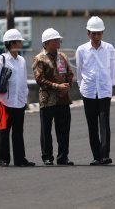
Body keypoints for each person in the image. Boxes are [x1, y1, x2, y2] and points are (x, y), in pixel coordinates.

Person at [76, 16, 115, 165]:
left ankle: (105, 155)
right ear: (88, 34)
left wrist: (110, 85)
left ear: (103, 33)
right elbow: (79, 71)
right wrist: (82, 88)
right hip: (88, 91)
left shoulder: (109, 48)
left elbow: (113, 69)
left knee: (104, 123)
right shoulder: (81, 50)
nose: (96, 36)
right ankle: (96, 156)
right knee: (92, 125)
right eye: (93, 33)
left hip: (104, 91)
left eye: (99, 33)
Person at [0, 29, 35, 167]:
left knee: (18, 132)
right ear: (12, 43)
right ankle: (3, 159)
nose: (22, 43)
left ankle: (20, 159)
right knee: (4, 131)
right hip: (5, 102)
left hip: (19, 102)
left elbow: (23, 81)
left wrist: (25, 99)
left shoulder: (21, 60)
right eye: (19, 41)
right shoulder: (1, 59)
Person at [32, 28, 74, 166]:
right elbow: (40, 80)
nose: (59, 43)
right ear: (47, 43)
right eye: (56, 41)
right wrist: (57, 87)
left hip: (63, 99)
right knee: (46, 131)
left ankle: (63, 157)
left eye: (59, 40)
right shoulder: (39, 59)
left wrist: (67, 86)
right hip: (47, 101)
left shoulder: (62, 57)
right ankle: (47, 157)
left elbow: (70, 73)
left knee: (64, 131)